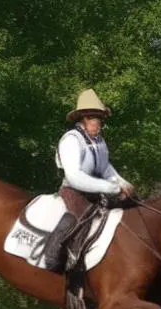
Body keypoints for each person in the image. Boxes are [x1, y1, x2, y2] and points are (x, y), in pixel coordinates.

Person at [41, 88, 136, 272]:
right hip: (73, 193)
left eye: (100, 118)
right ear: (84, 119)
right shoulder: (71, 140)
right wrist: (111, 187)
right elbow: (75, 177)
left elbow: (105, 168)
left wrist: (123, 183)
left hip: (96, 194)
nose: (100, 123)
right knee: (75, 218)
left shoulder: (99, 141)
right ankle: (52, 258)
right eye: (96, 118)